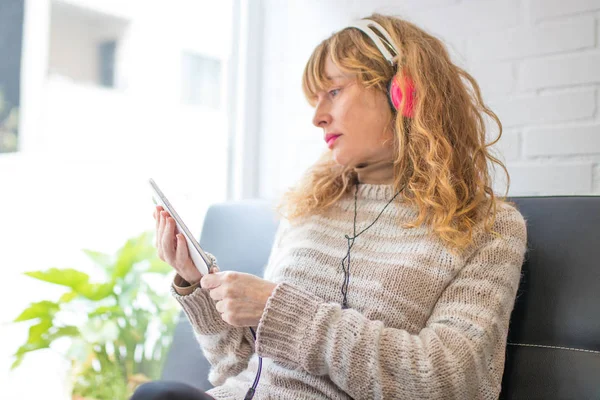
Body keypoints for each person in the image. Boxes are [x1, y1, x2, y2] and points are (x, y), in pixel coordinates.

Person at [132, 13, 527, 400]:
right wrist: (196, 284)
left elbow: (449, 381)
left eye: (334, 92)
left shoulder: (487, 227)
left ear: (402, 92)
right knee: (158, 394)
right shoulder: (310, 208)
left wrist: (284, 312)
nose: (318, 117)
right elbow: (242, 370)